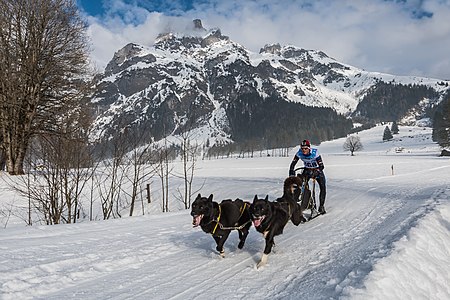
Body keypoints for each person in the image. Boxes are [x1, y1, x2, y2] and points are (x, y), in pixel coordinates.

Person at [289, 139, 327, 214]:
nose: (304, 150)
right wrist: (291, 172)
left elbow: (322, 166)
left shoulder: (315, 153)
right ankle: (307, 202)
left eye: (305, 148)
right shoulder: (299, 153)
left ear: (309, 148)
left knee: (323, 188)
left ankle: (321, 206)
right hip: (307, 170)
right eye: (302, 148)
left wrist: (317, 172)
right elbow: (292, 164)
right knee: (301, 184)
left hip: (317, 171)